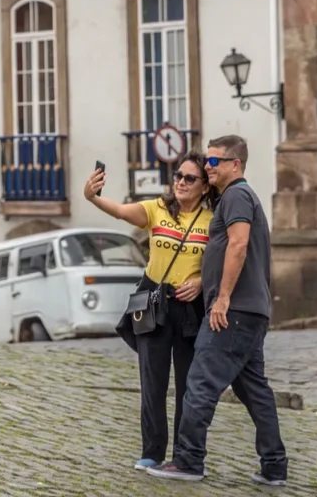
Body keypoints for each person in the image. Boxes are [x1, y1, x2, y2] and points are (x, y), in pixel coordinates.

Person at [147, 135, 289, 486]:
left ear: (235, 165)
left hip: (233, 312)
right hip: (250, 312)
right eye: (207, 162)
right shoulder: (236, 198)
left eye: (214, 162)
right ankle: (274, 466)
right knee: (253, 390)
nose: (208, 167)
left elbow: (238, 245)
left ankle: (188, 461)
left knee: (199, 383)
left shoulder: (237, 195)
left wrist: (222, 298)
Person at [85, 153, 214, 471]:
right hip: (156, 304)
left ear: (205, 187)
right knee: (153, 382)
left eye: (189, 178)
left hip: (190, 310)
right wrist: (92, 196)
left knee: (188, 385)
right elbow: (118, 211)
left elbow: (222, 263)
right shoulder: (156, 209)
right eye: (178, 176)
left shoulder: (213, 221)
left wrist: (200, 281)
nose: (181, 183)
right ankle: (152, 451)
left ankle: (185, 454)